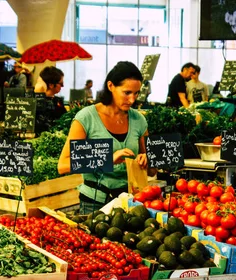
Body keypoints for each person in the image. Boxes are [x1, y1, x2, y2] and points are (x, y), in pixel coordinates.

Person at [58, 61, 156, 212]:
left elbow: (151, 171)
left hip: (130, 202)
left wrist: (147, 160)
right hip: (94, 204)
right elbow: (63, 165)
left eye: (136, 93)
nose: (132, 100)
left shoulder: (139, 120)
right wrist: (108, 159)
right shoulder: (86, 118)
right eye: (127, 92)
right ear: (110, 86)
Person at [35, 66, 66, 133]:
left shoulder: (58, 101)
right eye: (61, 83)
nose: (63, 86)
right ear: (51, 85)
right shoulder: (37, 102)